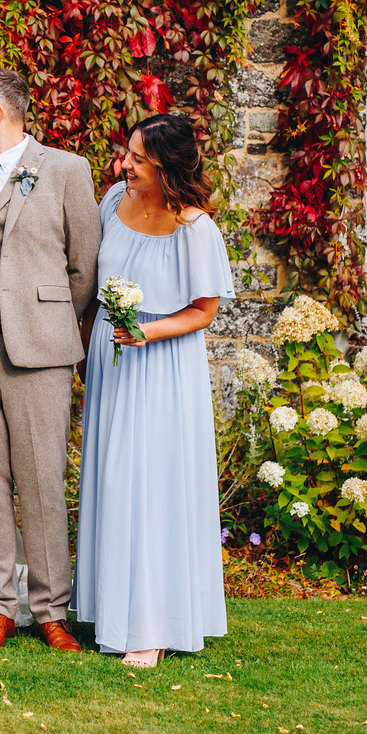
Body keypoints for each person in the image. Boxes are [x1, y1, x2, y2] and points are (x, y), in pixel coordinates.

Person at [0, 67, 102, 652]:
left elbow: (84, 265)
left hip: (37, 349)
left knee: (40, 480)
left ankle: (51, 610)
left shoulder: (65, 169)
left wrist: (46, 322)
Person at [73, 113, 234, 667]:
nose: (125, 165)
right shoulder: (113, 200)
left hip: (163, 364)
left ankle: (154, 625)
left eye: (138, 159)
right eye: (127, 153)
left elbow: (204, 310)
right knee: (115, 479)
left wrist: (148, 331)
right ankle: (113, 608)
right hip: (111, 356)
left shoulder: (195, 227)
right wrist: (84, 348)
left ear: (167, 166)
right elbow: (92, 285)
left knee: (155, 484)